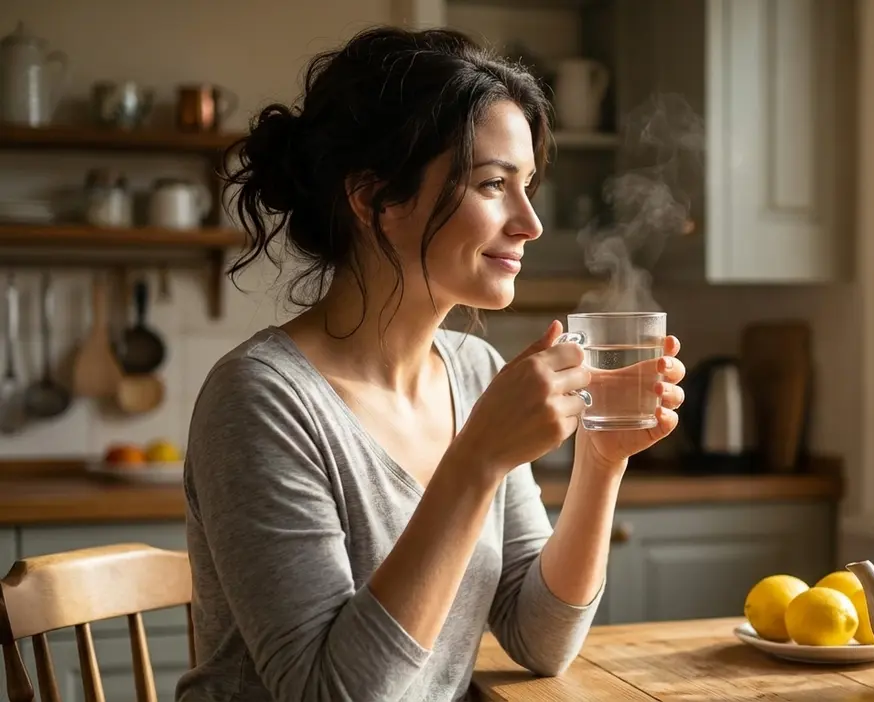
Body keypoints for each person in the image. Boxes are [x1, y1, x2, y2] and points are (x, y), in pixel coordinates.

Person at [175, 25, 686, 702]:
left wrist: (601, 459)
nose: (528, 221)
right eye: (492, 184)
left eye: (527, 184)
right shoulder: (261, 401)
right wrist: (475, 461)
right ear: (374, 199)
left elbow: (540, 640)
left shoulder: (474, 370)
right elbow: (330, 695)